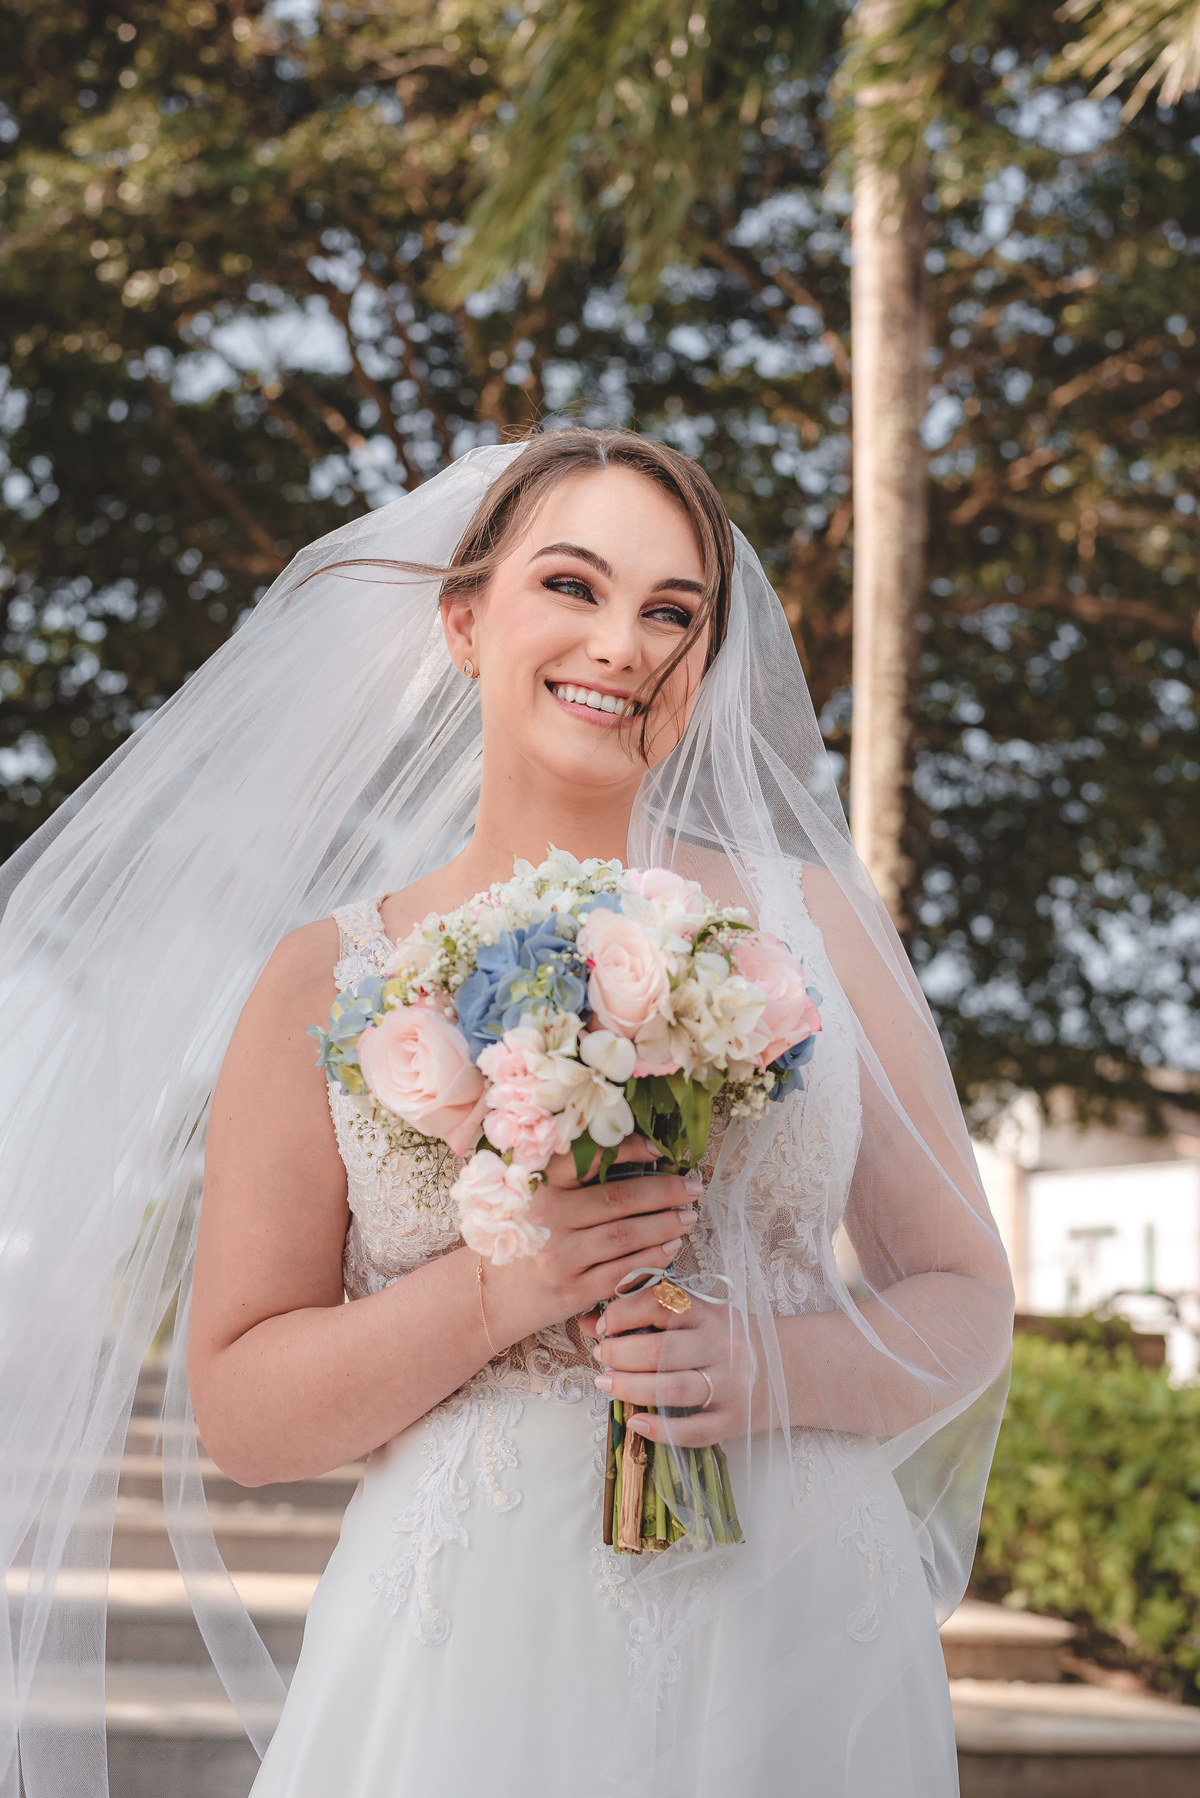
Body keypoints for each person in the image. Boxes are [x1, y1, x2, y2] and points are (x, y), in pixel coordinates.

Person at [0, 429, 1013, 1798]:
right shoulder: (330, 972)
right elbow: (241, 1411)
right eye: (574, 587)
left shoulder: (809, 923)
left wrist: (776, 1369)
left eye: (672, 612)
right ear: (467, 620)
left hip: (798, 1625)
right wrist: (502, 1294)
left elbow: (962, 1293)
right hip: (470, 1637)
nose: (622, 646)